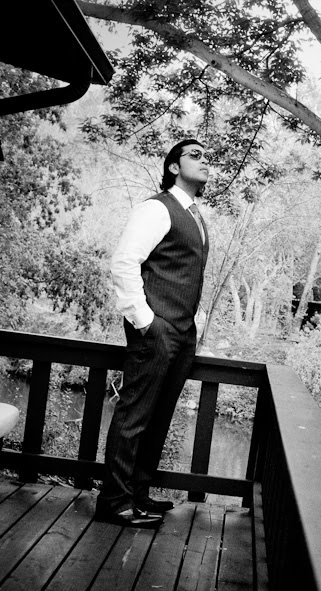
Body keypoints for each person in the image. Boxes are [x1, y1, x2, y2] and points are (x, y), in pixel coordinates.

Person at [95, 139, 210, 528]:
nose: (205, 161)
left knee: (158, 417)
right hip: (156, 330)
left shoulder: (194, 214)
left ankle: (138, 494)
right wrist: (146, 322)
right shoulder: (157, 208)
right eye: (195, 155)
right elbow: (125, 262)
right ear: (174, 167)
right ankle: (114, 502)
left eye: (206, 156)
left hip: (182, 332)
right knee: (135, 416)